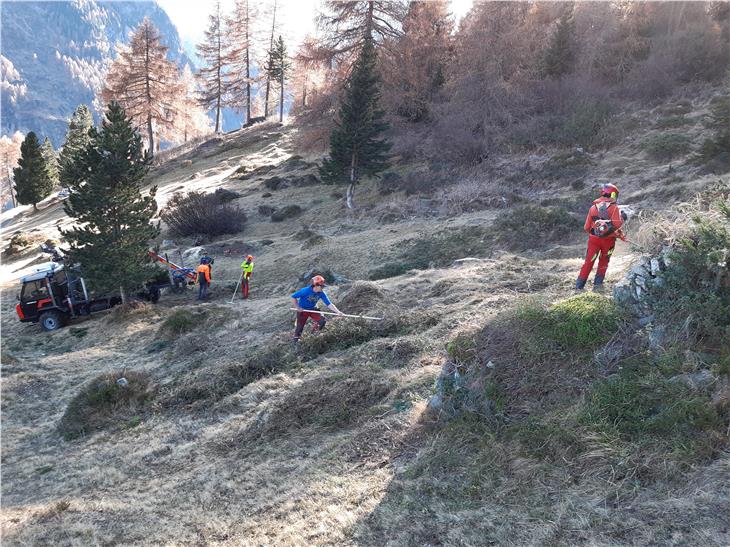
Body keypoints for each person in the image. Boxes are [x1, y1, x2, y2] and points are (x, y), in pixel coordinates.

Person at [576, 183, 627, 291]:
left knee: (588, 262)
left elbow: (586, 227)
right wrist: (622, 218)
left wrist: (595, 232)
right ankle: (598, 286)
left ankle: (579, 286)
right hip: (608, 242)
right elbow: (617, 224)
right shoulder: (614, 208)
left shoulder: (593, 207)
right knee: (604, 261)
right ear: (613, 195)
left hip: (593, 240)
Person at [291, 275, 343, 343]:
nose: (322, 288)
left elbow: (329, 304)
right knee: (299, 328)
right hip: (303, 310)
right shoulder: (305, 291)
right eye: (321, 286)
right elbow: (293, 297)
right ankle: (296, 341)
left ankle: (312, 336)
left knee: (322, 321)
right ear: (316, 285)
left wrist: (338, 312)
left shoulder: (321, 293)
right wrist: (298, 307)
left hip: (313, 309)